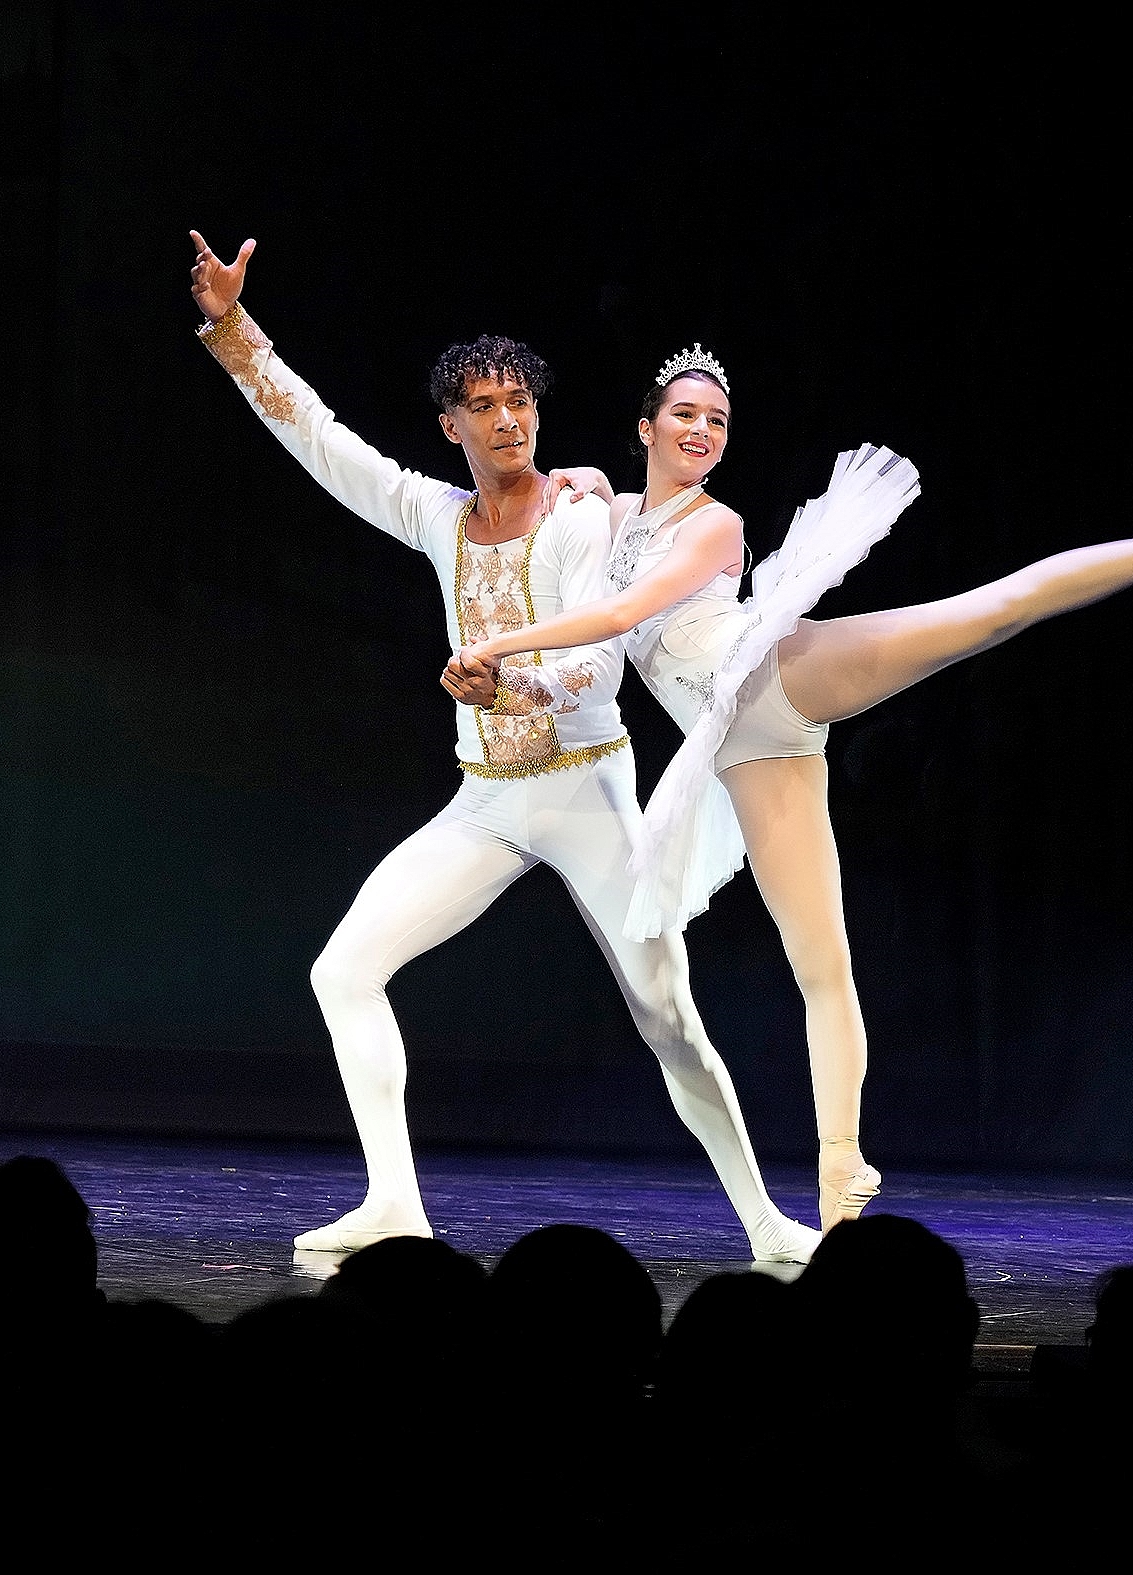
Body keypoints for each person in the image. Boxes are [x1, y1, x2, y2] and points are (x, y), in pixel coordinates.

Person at [452, 346, 1133, 1226]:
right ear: (646, 427)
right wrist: (584, 482)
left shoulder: (717, 524)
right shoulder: (613, 509)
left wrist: (499, 645)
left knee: (992, 611)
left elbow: (623, 613)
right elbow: (584, 500)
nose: (702, 430)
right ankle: (841, 1172)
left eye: (717, 421)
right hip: (741, 751)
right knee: (819, 964)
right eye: (685, 415)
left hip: (773, 675)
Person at [183, 234, 817, 1262]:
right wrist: (231, 328)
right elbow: (322, 441)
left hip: (588, 790)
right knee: (343, 970)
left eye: (518, 400)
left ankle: (767, 1223)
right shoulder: (437, 517)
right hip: (487, 799)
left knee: (668, 1019)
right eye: (483, 405)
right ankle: (395, 1203)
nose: (507, 418)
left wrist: (506, 680)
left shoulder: (575, 519)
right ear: (453, 425)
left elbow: (596, 663)